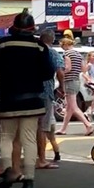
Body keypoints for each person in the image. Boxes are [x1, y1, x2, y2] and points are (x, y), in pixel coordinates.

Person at [0, 12, 56, 188]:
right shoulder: (39, 46)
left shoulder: (3, 44)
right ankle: (29, 181)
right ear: (32, 29)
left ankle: (9, 170)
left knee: (6, 137)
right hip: (33, 101)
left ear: (14, 27)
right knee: (29, 139)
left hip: (9, 99)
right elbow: (48, 73)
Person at [36, 29, 63, 169]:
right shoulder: (52, 53)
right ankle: (41, 159)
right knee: (42, 127)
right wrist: (62, 87)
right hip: (45, 91)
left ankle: (28, 156)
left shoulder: (33, 50)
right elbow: (60, 72)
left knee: (29, 126)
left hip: (30, 90)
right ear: (52, 40)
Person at [57, 37, 94, 136]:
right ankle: (63, 129)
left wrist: (61, 71)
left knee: (73, 106)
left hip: (69, 81)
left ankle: (88, 125)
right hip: (77, 81)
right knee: (69, 107)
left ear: (65, 45)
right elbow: (83, 69)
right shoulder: (78, 54)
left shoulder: (67, 54)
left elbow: (68, 68)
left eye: (62, 46)